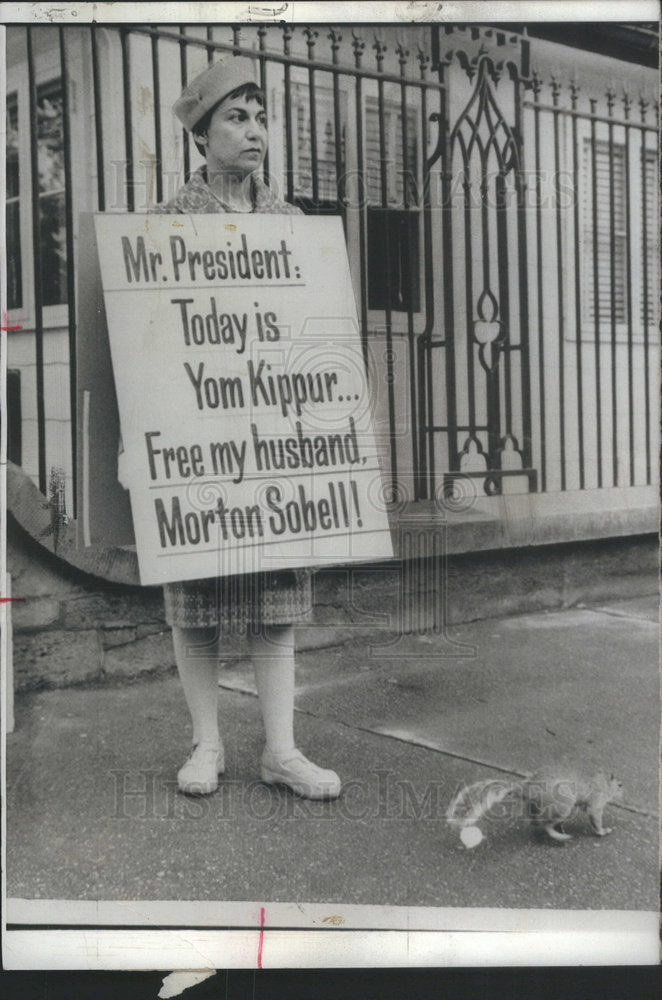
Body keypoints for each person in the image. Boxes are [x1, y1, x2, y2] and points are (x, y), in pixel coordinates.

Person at [151, 56, 341, 800]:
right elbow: (148, 344)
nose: (255, 131)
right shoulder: (167, 225)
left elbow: (317, 340)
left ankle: (281, 751)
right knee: (194, 594)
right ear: (201, 136)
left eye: (261, 117)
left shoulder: (292, 225)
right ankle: (207, 744)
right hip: (198, 438)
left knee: (274, 596)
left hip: (274, 438)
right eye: (237, 117)